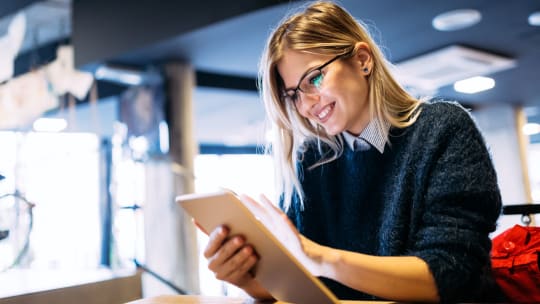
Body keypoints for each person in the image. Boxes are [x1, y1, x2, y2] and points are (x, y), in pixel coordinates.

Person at [202, 1, 505, 302]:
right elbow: (301, 284)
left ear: (362, 60)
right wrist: (247, 278)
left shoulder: (442, 129)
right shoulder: (312, 161)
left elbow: (452, 274)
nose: (306, 105)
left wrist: (321, 258)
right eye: (293, 94)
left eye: (314, 79)